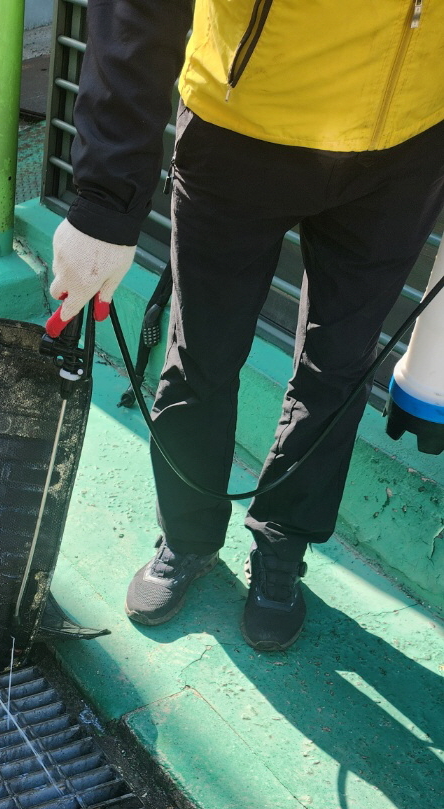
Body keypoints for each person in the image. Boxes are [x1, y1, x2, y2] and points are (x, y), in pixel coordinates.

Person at [48, 1, 444, 651]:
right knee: (201, 351)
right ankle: (187, 536)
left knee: (339, 370)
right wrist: (106, 200)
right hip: (240, 125)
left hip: (405, 149)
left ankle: (282, 549)